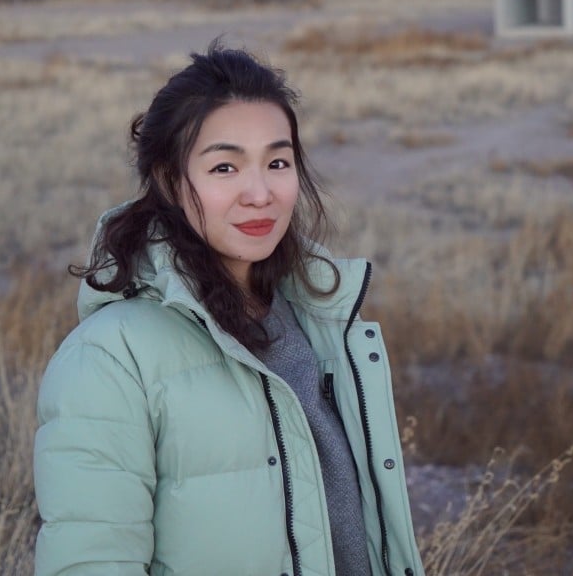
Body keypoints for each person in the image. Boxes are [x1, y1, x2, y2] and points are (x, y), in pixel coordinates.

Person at [33, 42, 424, 576]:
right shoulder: (109, 358)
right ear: (171, 181)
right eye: (224, 167)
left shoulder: (319, 323)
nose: (260, 193)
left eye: (277, 162)